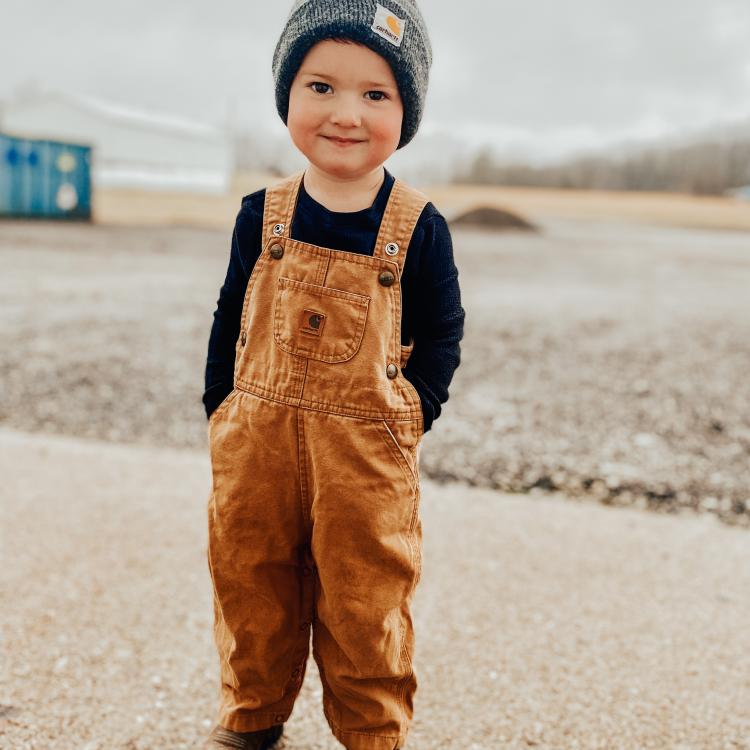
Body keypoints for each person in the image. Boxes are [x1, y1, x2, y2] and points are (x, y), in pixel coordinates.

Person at [201, 2, 465, 748]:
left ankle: (371, 733)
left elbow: (442, 332)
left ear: (405, 112)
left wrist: (415, 408)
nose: (345, 113)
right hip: (256, 448)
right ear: (287, 95)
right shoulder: (264, 215)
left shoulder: (419, 226)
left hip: (365, 460)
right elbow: (231, 313)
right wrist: (220, 404)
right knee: (251, 584)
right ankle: (250, 720)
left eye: (375, 94)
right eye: (321, 86)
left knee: (364, 603)